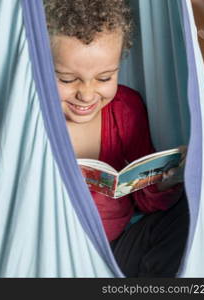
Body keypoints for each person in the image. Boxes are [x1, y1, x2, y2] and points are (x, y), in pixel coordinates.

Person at [44, 0, 189, 277]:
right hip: (53, 256)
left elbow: (146, 201)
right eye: (65, 79)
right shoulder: (31, 120)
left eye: (104, 77)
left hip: (115, 249)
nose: (86, 95)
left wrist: (166, 179)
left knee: (190, 213)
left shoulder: (125, 107)